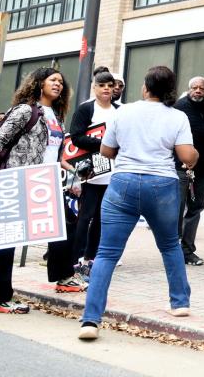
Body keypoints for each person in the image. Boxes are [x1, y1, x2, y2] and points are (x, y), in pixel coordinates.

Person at [78, 66, 198, 340]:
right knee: (169, 245)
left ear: (145, 88)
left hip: (123, 183)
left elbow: (107, 151)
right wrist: (195, 155)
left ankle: (90, 320)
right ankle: (179, 303)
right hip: (162, 185)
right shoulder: (178, 116)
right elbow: (187, 157)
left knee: (107, 253)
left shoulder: (124, 112)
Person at [0, 67, 85, 313]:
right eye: (53, 80)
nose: (58, 84)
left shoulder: (57, 116)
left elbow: (55, 154)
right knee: (8, 238)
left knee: (65, 224)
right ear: (39, 83)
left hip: (46, 181)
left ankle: (63, 277)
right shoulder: (25, 110)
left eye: (61, 81)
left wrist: (75, 174)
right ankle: (0, 296)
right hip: (18, 179)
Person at [68, 71, 119, 274]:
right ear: (94, 88)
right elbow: (76, 137)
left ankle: (91, 257)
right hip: (91, 171)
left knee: (102, 217)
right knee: (85, 216)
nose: (106, 88)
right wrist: (103, 144)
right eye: (102, 85)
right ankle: (75, 258)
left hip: (113, 171)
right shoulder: (86, 109)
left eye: (110, 85)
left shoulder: (119, 110)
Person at [173, 76, 204, 266]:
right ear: (189, 89)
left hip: (202, 167)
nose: (198, 91)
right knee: (177, 207)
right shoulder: (179, 107)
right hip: (181, 166)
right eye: (194, 87)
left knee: (196, 206)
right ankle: (172, 248)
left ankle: (187, 249)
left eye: (202, 88)